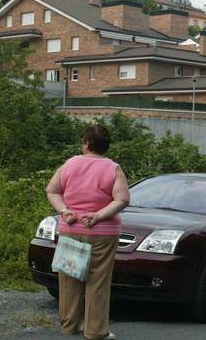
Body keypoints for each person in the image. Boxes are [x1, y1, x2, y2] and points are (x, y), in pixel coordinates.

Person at [46, 125, 130, 340]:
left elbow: (52, 190)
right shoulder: (113, 168)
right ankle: (95, 331)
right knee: (98, 281)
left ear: (85, 144)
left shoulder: (70, 164)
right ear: (106, 146)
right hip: (103, 232)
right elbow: (122, 199)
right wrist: (98, 216)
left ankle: (70, 325)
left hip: (71, 229)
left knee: (70, 278)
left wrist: (64, 211)